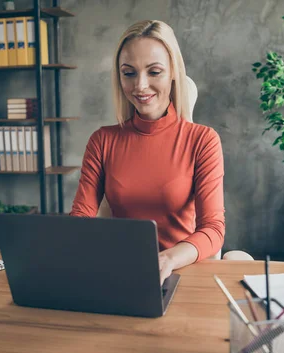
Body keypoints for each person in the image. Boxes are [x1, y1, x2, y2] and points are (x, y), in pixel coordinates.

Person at [70, 20, 225, 285]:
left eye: (154, 72)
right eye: (129, 73)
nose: (140, 86)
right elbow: (80, 220)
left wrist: (167, 260)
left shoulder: (203, 140)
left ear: (173, 72)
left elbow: (213, 230)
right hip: (121, 273)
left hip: (181, 274)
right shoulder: (102, 140)